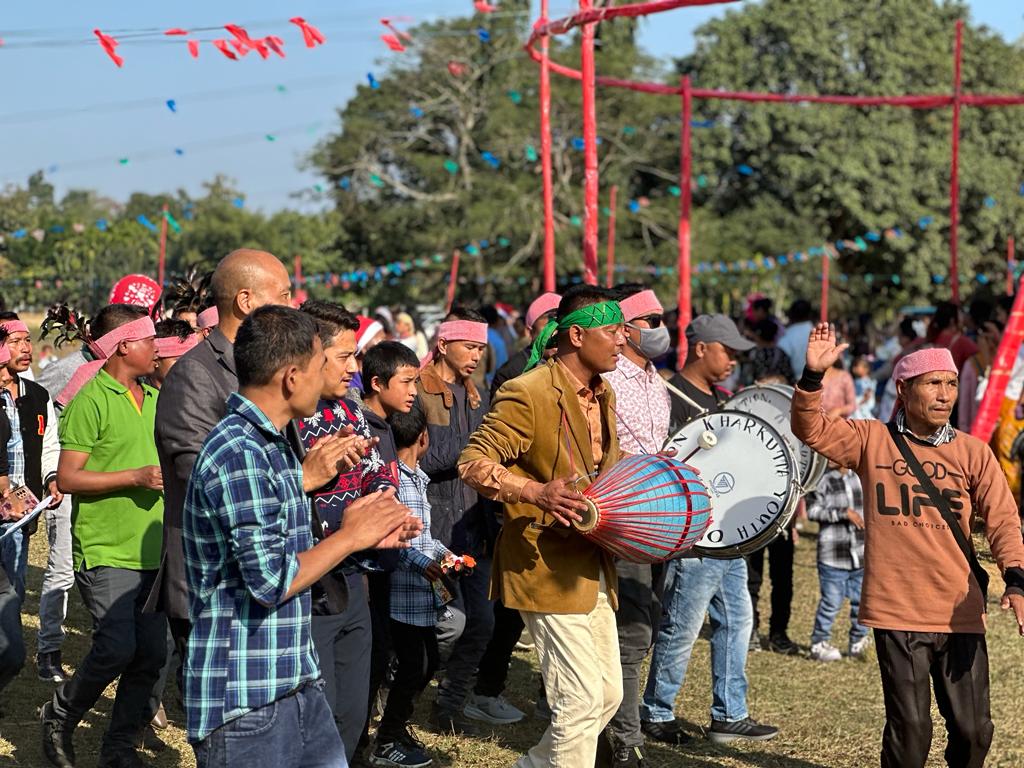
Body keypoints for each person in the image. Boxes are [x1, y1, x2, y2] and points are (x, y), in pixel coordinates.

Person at [181, 305, 420, 768]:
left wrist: (367, 529)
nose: (345, 375)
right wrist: (350, 536)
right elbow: (270, 581)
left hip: (291, 676)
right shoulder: (241, 453)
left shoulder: (270, 445)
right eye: (321, 366)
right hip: (246, 699)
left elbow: (287, 541)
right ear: (292, 377)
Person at [792, 326, 1024, 768]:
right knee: (911, 733)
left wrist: (1015, 578)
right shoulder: (870, 440)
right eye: (933, 383)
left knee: (975, 731)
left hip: (959, 611)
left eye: (952, 383)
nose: (945, 395)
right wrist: (812, 378)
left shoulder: (974, 453)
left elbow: (1003, 519)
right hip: (897, 609)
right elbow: (812, 430)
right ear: (903, 388)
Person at [459, 285, 627, 768]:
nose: (622, 341)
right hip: (543, 566)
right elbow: (473, 461)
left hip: (593, 564)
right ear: (577, 335)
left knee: (607, 696)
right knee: (578, 703)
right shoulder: (528, 391)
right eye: (612, 331)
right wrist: (534, 492)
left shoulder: (605, 391)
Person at [148, 249, 293, 704]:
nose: (293, 304)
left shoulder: (265, 368)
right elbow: (200, 473)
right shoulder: (195, 374)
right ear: (247, 301)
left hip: (260, 561)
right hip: (208, 570)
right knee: (222, 712)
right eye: (284, 294)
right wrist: (295, 479)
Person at [641, 314, 779, 745]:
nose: (734, 360)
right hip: (695, 537)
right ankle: (655, 712)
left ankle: (729, 714)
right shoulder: (668, 397)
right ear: (701, 348)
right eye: (728, 351)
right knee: (681, 625)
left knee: (739, 620)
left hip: (731, 535)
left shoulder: (726, 401)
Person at [40, 305, 167, 768]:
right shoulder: (90, 400)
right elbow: (69, 478)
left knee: (151, 656)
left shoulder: (154, 399)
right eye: (149, 341)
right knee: (117, 647)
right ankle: (60, 713)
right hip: (106, 548)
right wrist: (133, 475)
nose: (156, 349)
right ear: (124, 346)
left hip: (152, 550)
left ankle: (118, 749)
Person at [293, 300, 397, 762]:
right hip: (308, 581)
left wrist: (387, 512)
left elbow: (378, 473)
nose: (355, 367)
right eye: (346, 357)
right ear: (314, 356)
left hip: (355, 578)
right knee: (320, 711)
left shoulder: (351, 413)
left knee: (353, 714)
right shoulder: (288, 420)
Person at [597, 286, 672, 767]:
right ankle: (624, 741)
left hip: (659, 518)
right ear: (623, 330)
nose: (661, 328)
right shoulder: (607, 380)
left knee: (646, 625)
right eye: (652, 319)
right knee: (631, 634)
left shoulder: (655, 380)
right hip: (625, 518)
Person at [418, 308, 501, 733]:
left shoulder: (477, 394)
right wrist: (470, 449)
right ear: (443, 344)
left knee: (482, 623)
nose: (475, 356)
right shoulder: (417, 390)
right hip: (434, 527)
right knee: (445, 624)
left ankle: (449, 707)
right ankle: (399, 685)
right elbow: (418, 459)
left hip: (474, 524)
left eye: (481, 349)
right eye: (468, 346)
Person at [373, 402, 452, 768]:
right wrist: (423, 564)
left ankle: (396, 723)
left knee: (427, 661)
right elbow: (394, 541)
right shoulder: (396, 483)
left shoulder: (418, 479)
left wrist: (446, 556)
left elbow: (425, 539)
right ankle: (386, 738)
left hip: (422, 595)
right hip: (403, 596)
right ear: (424, 437)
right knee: (413, 666)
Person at [358, 340, 421, 751]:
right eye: (407, 381)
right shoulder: (359, 426)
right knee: (371, 656)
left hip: (384, 558)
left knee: (381, 654)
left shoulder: (384, 427)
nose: (414, 391)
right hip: (362, 563)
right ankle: (357, 744)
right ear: (378, 383)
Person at [0, 316, 64, 681]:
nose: (26, 348)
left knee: (14, 593)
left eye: (28, 340)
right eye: (16, 340)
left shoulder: (37, 396)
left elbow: (50, 445)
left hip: (21, 517)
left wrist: (52, 477)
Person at [805, 464, 869, 662]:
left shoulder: (859, 477)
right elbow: (812, 511)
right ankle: (819, 643)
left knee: (862, 602)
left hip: (859, 554)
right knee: (831, 603)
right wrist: (843, 513)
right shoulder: (821, 481)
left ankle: (858, 641)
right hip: (833, 556)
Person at [490, 292, 561, 397]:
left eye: (561, 329)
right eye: (548, 330)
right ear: (530, 332)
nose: (555, 337)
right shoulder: (511, 373)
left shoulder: (576, 365)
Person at [151, 319, 200, 390]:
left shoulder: (200, 392)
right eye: (179, 360)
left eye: (193, 360)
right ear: (156, 360)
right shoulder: (140, 396)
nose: (189, 367)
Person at [777, 299, 814, 378]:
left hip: (793, 386)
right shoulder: (819, 333)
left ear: (791, 314)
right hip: (821, 384)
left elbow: (782, 368)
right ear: (810, 314)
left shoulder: (786, 337)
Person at [851, 356, 877, 420]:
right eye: (854, 366)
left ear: (866, 369)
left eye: (857, 366)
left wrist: (860, 401)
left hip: (863, 408)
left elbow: (867, 395)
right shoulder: (857, 380)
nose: (854, 368)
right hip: (857, 406)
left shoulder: (866, 381)